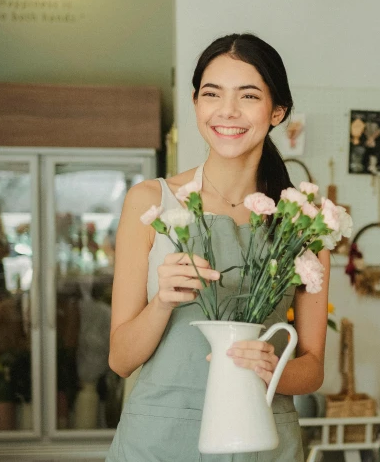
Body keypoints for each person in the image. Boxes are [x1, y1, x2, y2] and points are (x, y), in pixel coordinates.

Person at [107, 33, 331, 461]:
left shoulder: (303, 223)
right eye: (212, 94)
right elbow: (120, 359)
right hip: (159, 440)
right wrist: (162, 303)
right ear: (196, 104)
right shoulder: (151, 202)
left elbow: (313, 367)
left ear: (277, 111)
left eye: (248, 95)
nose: (227, 111)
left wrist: (273, 369)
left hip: (261, 440)